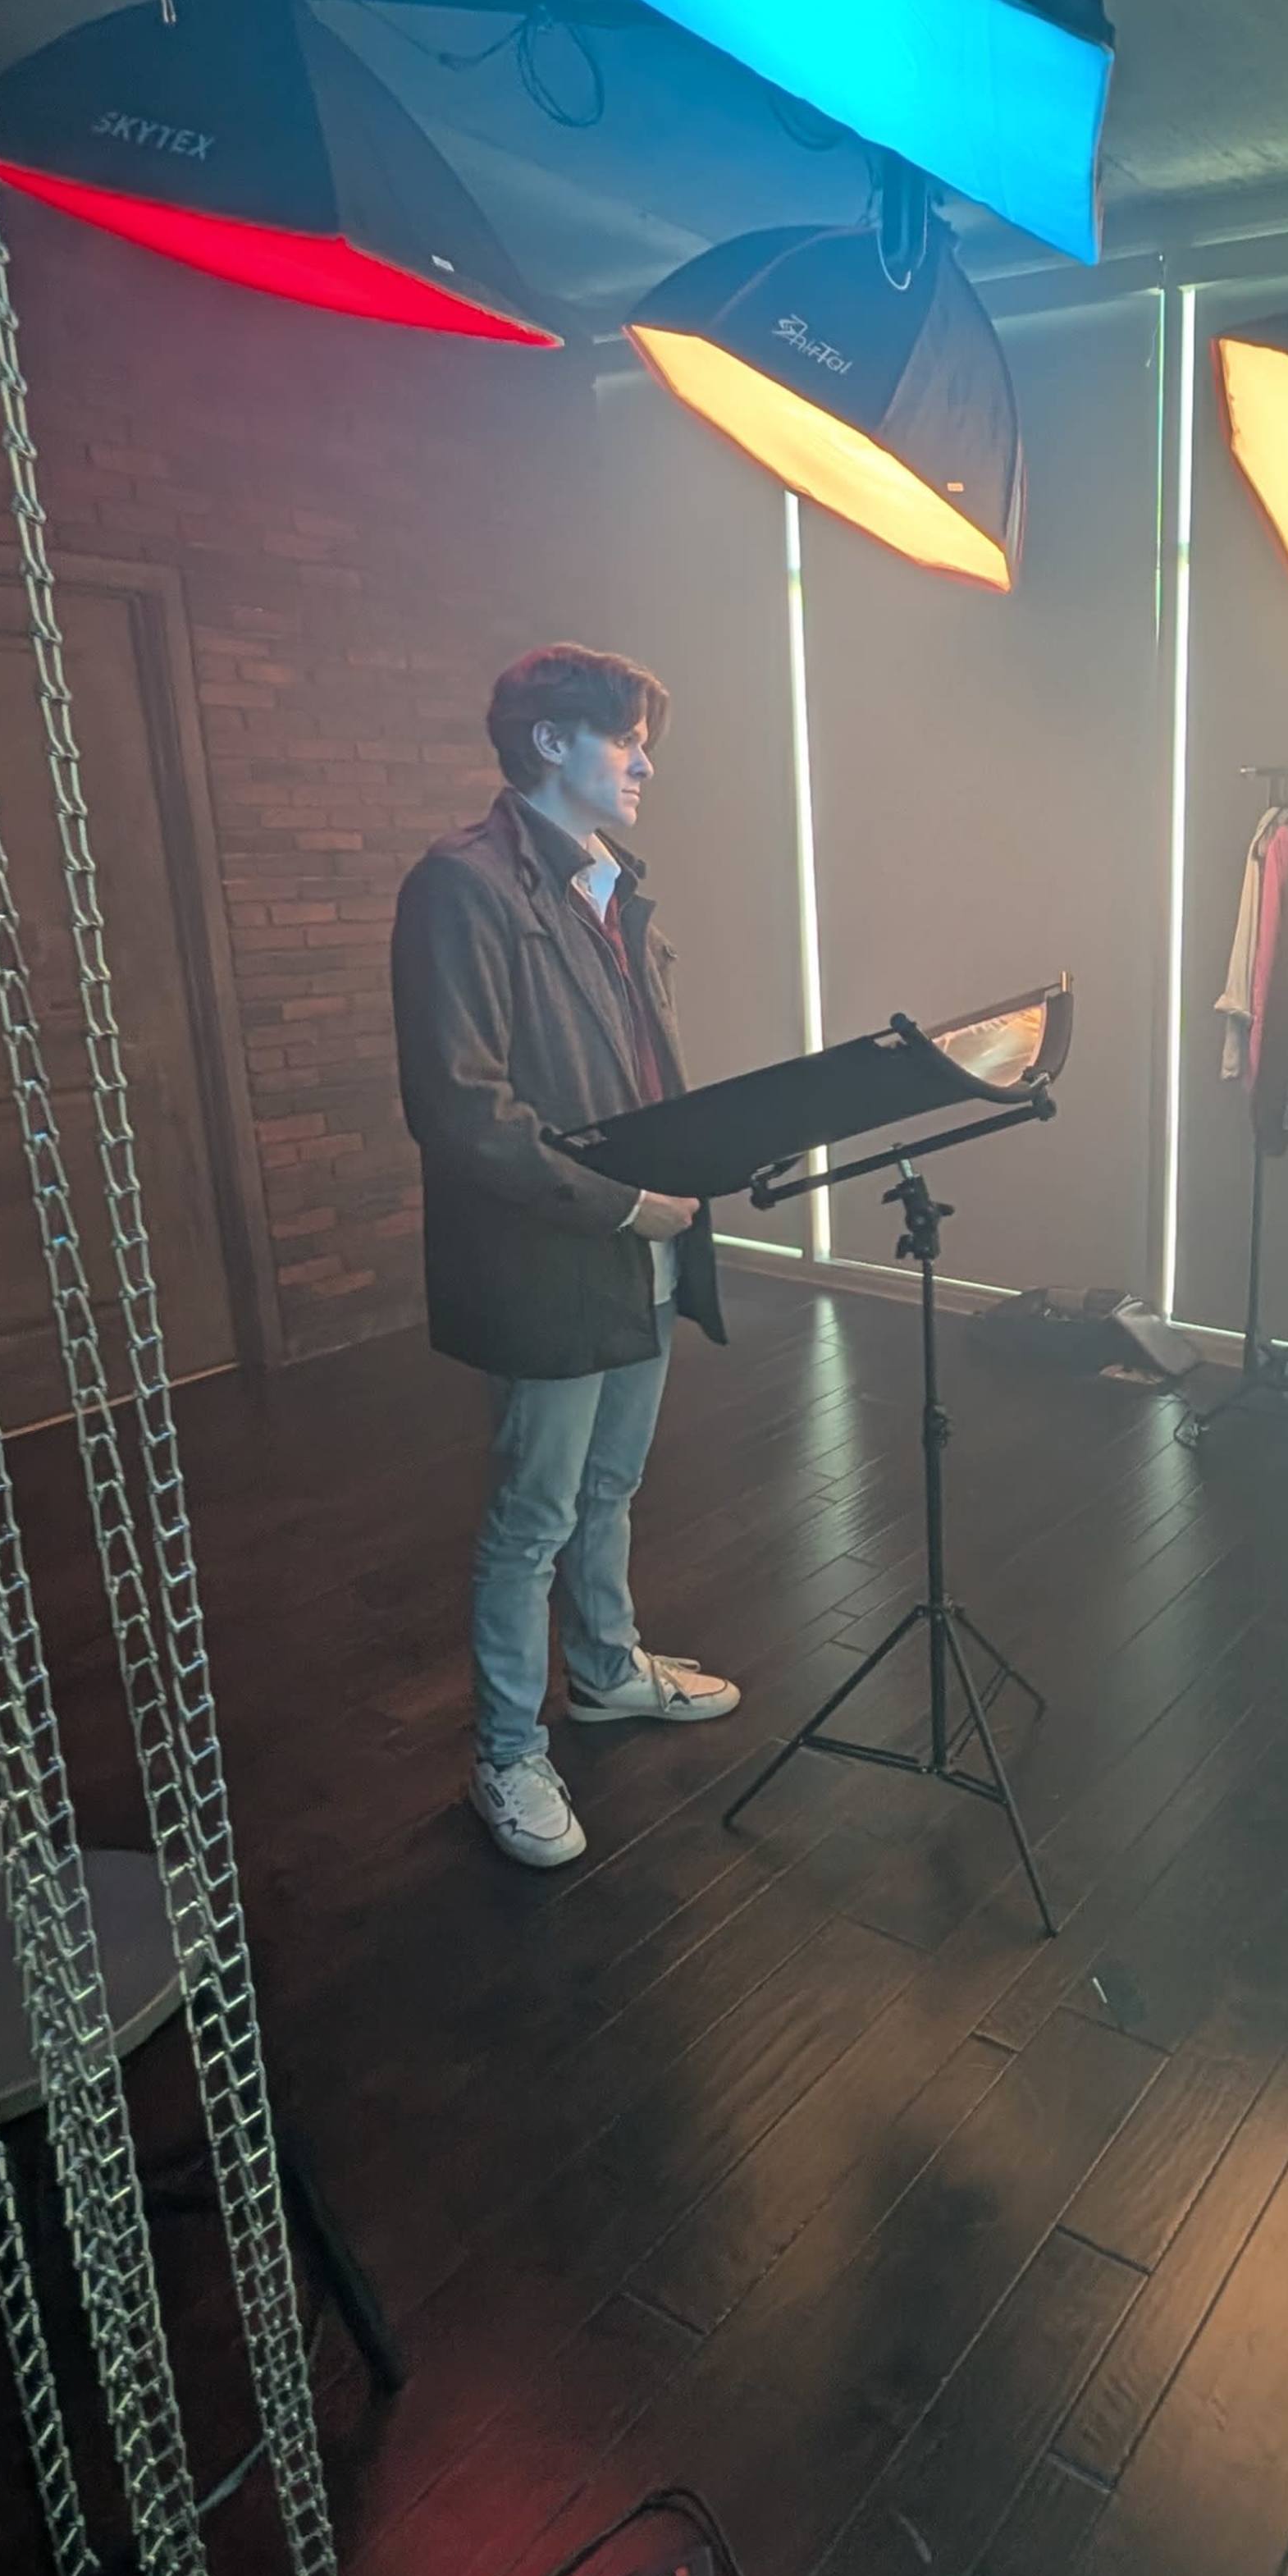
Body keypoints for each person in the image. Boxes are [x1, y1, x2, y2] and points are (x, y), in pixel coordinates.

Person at [391, 643, 739, 1871]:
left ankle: (601, 1671)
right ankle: (504, 1752)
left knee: (610, 1486)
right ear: (549, 742)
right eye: (622, 735)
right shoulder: (463, 886)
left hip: (643, 1240)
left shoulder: (611, 887)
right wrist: (623, 1204)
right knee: (531, 1516)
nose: (644, 761)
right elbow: (463, 1109)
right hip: (558, 1254)